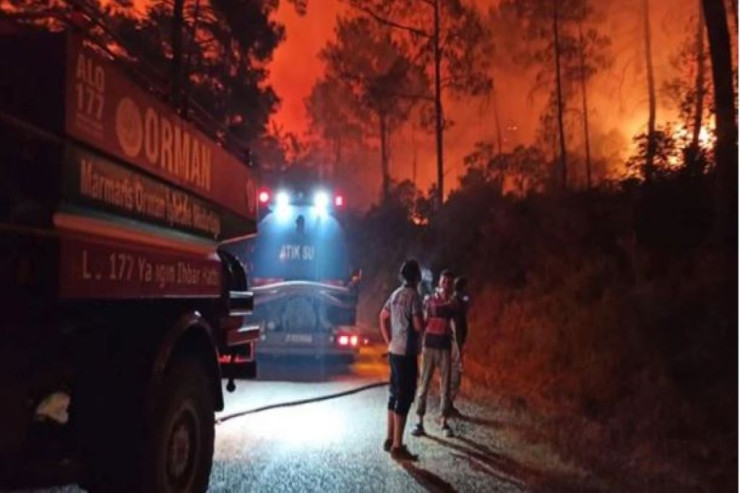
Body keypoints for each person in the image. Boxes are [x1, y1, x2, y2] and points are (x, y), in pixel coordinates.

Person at [379, 259, 425, 462]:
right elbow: (417, 326)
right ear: (417, 277)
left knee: (393, 394)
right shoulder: (414, 296)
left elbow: (383, 316)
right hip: (406, 353)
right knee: (405, 397)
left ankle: (389, 439)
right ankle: (398, 446)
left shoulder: (395, 294)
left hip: (394, 351)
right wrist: (427, 321)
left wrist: (389, 340)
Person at [412, 269, 456, 438]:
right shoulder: (432, 300)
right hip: (429, 346)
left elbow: (439, 310)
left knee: (445, 387)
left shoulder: (449, 302)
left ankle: (444, 421)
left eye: (449, 283)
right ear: (439, 282)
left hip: (445, 347)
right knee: (423, 384)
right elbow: (431, 312)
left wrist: (434, 307)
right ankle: (419, 422)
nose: (446, 286)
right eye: (444, 282)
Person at [449, 276, 470, 417]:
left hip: (455, 341)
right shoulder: (456, 303)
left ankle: (448, 405)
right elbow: (456, 326)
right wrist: (458, 346)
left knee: (453, 374)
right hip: (454, 342)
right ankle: (447, 406)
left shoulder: (456, 301)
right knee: (455, 374)